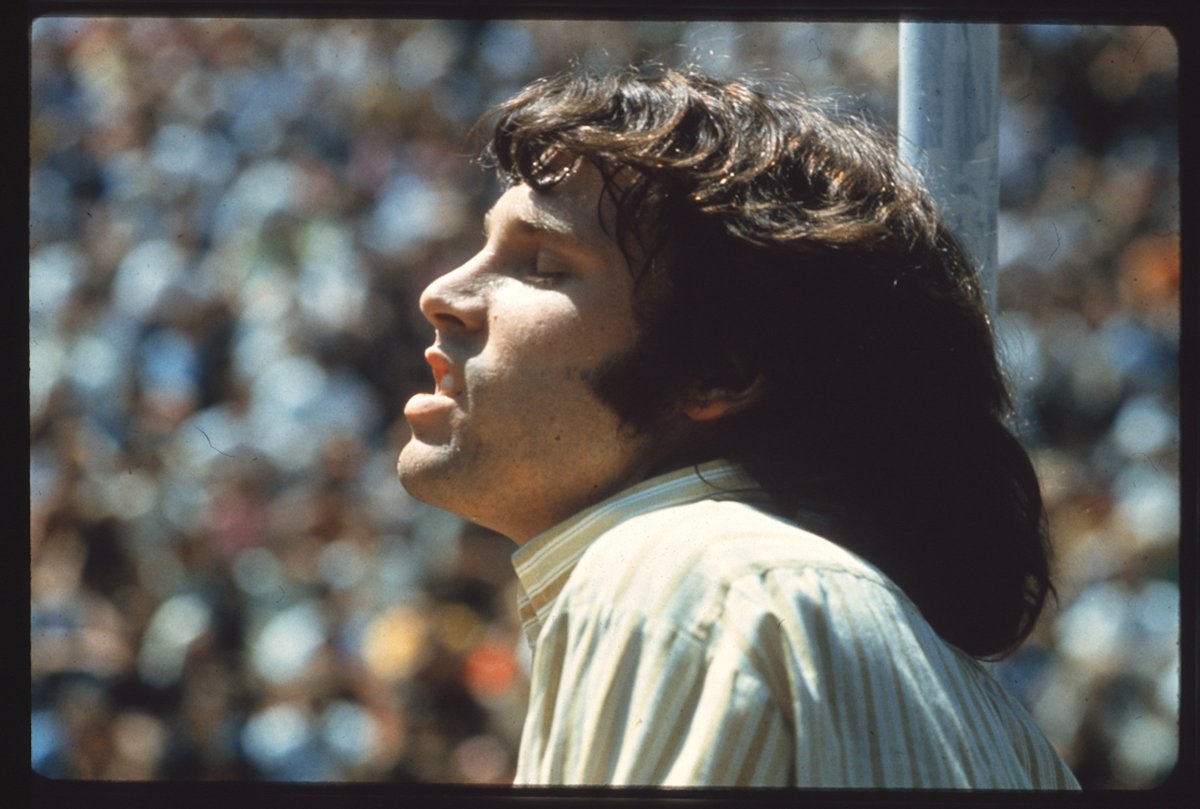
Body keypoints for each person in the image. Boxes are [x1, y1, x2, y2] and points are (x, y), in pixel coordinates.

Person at [397, 64, 1080, 788]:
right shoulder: (1010, 733)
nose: (441, 293)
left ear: (716, 372)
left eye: (542, 266)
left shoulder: (681, 574)